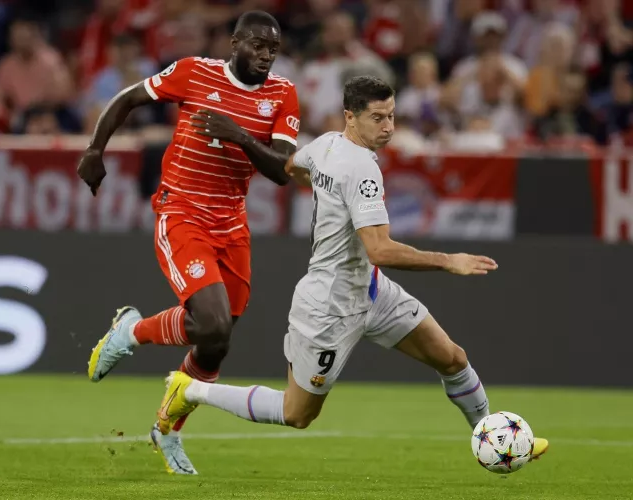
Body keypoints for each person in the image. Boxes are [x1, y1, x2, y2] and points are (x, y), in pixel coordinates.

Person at [154, 75, 550, 467]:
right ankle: (190, 390)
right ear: (350, 117)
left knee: (451, 358)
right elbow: (379, 250)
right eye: (377, 117)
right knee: (297, 413)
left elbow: (292, 167)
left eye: (391, 116)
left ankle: (498, 440)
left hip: (372, 291)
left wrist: (320, 185)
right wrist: (449, 261)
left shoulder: (326, 144)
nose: (388, 126)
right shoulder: (361, 168)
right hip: (330, 305)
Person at [77, 11, 300, 476]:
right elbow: (127, 98)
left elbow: (282, 171)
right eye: (257, 45)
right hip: (181, 212)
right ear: (234, 42)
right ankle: (133, 335)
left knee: (215, 343)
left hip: (231, 224)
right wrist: (95, 149)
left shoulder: (282, 94)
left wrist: (238, 135)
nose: (265, 55)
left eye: (273, 49)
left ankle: (166, 426)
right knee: (212, 324)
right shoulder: (193, 72)